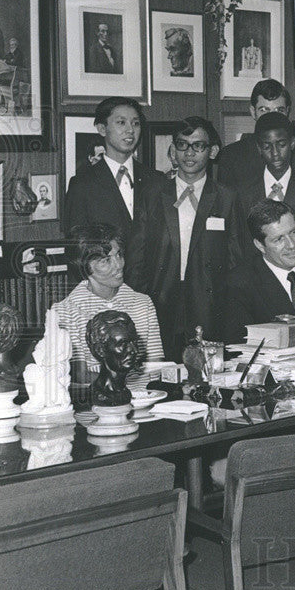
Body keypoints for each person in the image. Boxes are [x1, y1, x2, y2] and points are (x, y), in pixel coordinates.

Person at [126, 117, 242, 360]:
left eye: (198, 146)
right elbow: (137, 255)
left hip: (209, 304)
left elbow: (235, 259)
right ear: (172, 152)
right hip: (161, 299)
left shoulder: (226, 198)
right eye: (182, 145)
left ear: (212, 152)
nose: (189, 153)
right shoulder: (152, 195)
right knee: (162, 373)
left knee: (206, 376)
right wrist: (139, 302)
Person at [48, 223, 163, 382]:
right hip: (98, 401)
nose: (119, 265)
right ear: (85, 267)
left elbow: (157, 366)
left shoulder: (143, 303)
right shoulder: (65, 311)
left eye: (119, 255)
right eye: (106, 261)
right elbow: (79, 376)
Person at [223, 200, 295, 344]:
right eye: (279, 239)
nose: (292, 245)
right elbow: (238, 347)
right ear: (260, 245)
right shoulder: (240, 283)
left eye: (293, 232)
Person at [64, 97, 160, 247]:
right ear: (102, 129)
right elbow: (76, 248)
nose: (130, 130)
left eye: (135, 123)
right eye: (121, 122)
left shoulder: (156, 180)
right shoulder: (82, 184)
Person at [233, 112, 295, 260]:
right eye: (267, 146)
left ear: (293, 143)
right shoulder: (243, 193)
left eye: (281, 145)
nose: (275, 153)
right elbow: (237, 247)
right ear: (259, 148)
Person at [215, 79, 295, 187]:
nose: (272, 117)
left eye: (279, 110)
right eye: (264, 110)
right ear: (253, 112)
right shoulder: (231, 156)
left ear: (287, 112)